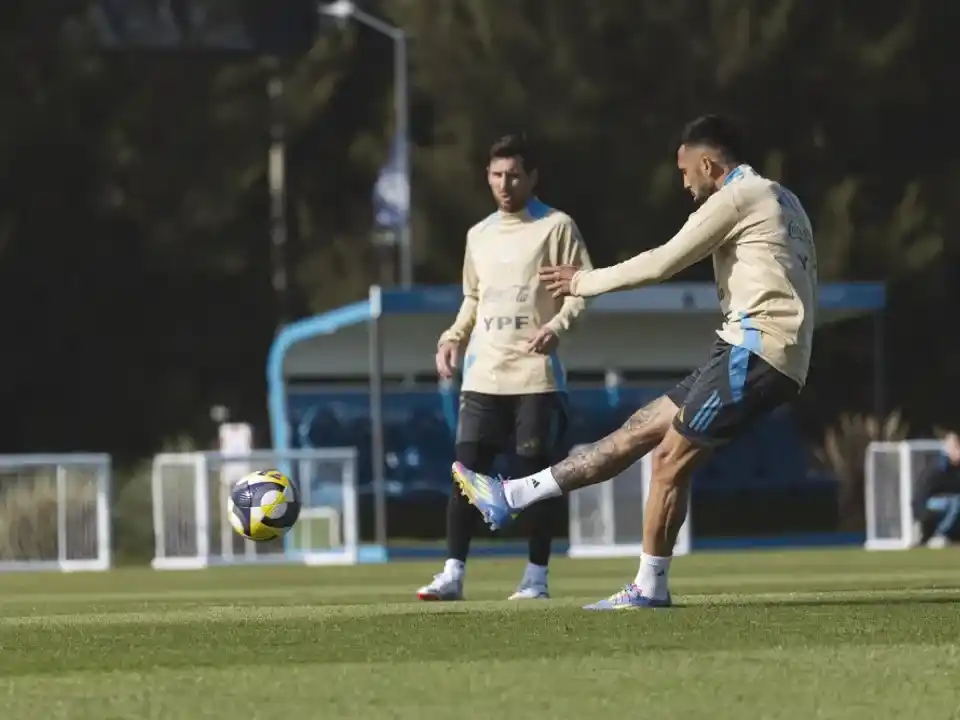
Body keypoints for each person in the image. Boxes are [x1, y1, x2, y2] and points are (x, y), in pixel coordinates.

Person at [452, 114, 818, 609]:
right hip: (752, 349)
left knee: (669, 460)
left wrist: (583, 282)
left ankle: (649, 587)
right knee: (639, 430)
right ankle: (512, 495)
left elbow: (662, 261)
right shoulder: (784, 198)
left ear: (709, 164)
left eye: (686, 172)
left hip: (757, 352)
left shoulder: (737, 197)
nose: (685, 185)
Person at [417, 132, 594, 601]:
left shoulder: (557, 227)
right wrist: (452, 337)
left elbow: (580, 288)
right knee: (465, 474)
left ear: (532, 177)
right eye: (496, 175)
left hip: (535, 376)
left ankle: (536, 577)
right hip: (483, 375)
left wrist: (557, 325)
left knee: (534, 477)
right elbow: (473, 298)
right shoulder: (479, 235)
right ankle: (452, 574)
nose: (504, 184)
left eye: (514, 174)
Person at [913, 431, 960, 546]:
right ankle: (939, 535)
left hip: (947, 502)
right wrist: (920, 513)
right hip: (931, 504)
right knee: (956, 501)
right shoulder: (936, 467)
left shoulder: (956, 469)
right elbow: (921, 491)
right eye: (956, 447)